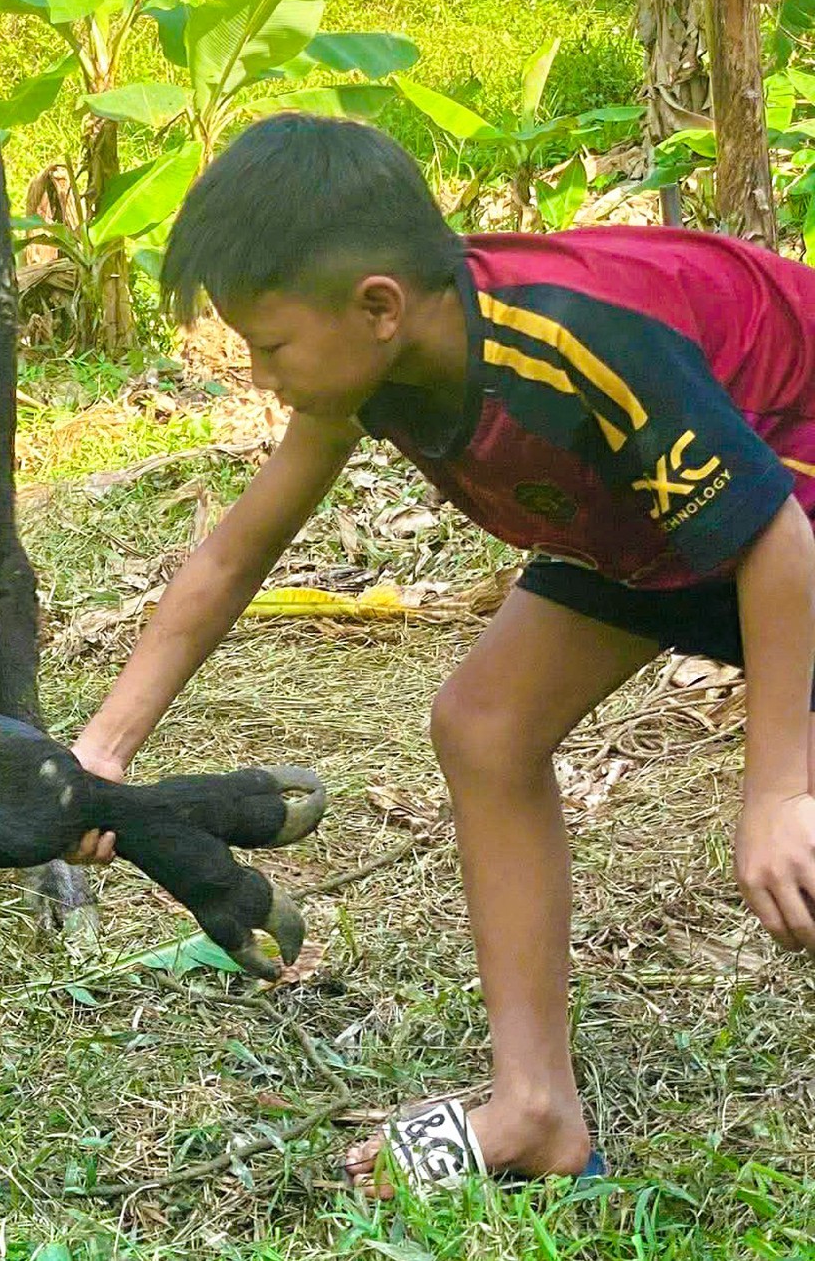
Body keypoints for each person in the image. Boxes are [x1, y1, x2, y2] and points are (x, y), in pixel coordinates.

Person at [64, 113, 815, 1193]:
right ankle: (533, 1107)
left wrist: (775, 790)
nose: (258, 372)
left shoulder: (573, 345)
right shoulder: (367, 372)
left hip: (783, 506)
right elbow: (236, 552)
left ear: (375, 306)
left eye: (268, 344)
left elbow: (772, 542)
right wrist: (104, 749)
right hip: (650, 523)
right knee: (482, 723)